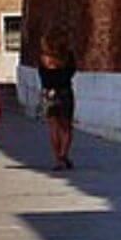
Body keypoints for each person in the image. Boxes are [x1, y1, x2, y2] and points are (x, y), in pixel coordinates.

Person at [37, 38, 79, 170]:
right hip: (65, 92)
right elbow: (72, 71)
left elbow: (42, 75)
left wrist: (49, 86)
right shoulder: (67, 56)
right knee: (66, 127)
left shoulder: (43, 58)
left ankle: (57, 159)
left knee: (54, 127)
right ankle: (63, 154)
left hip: (49, 94)